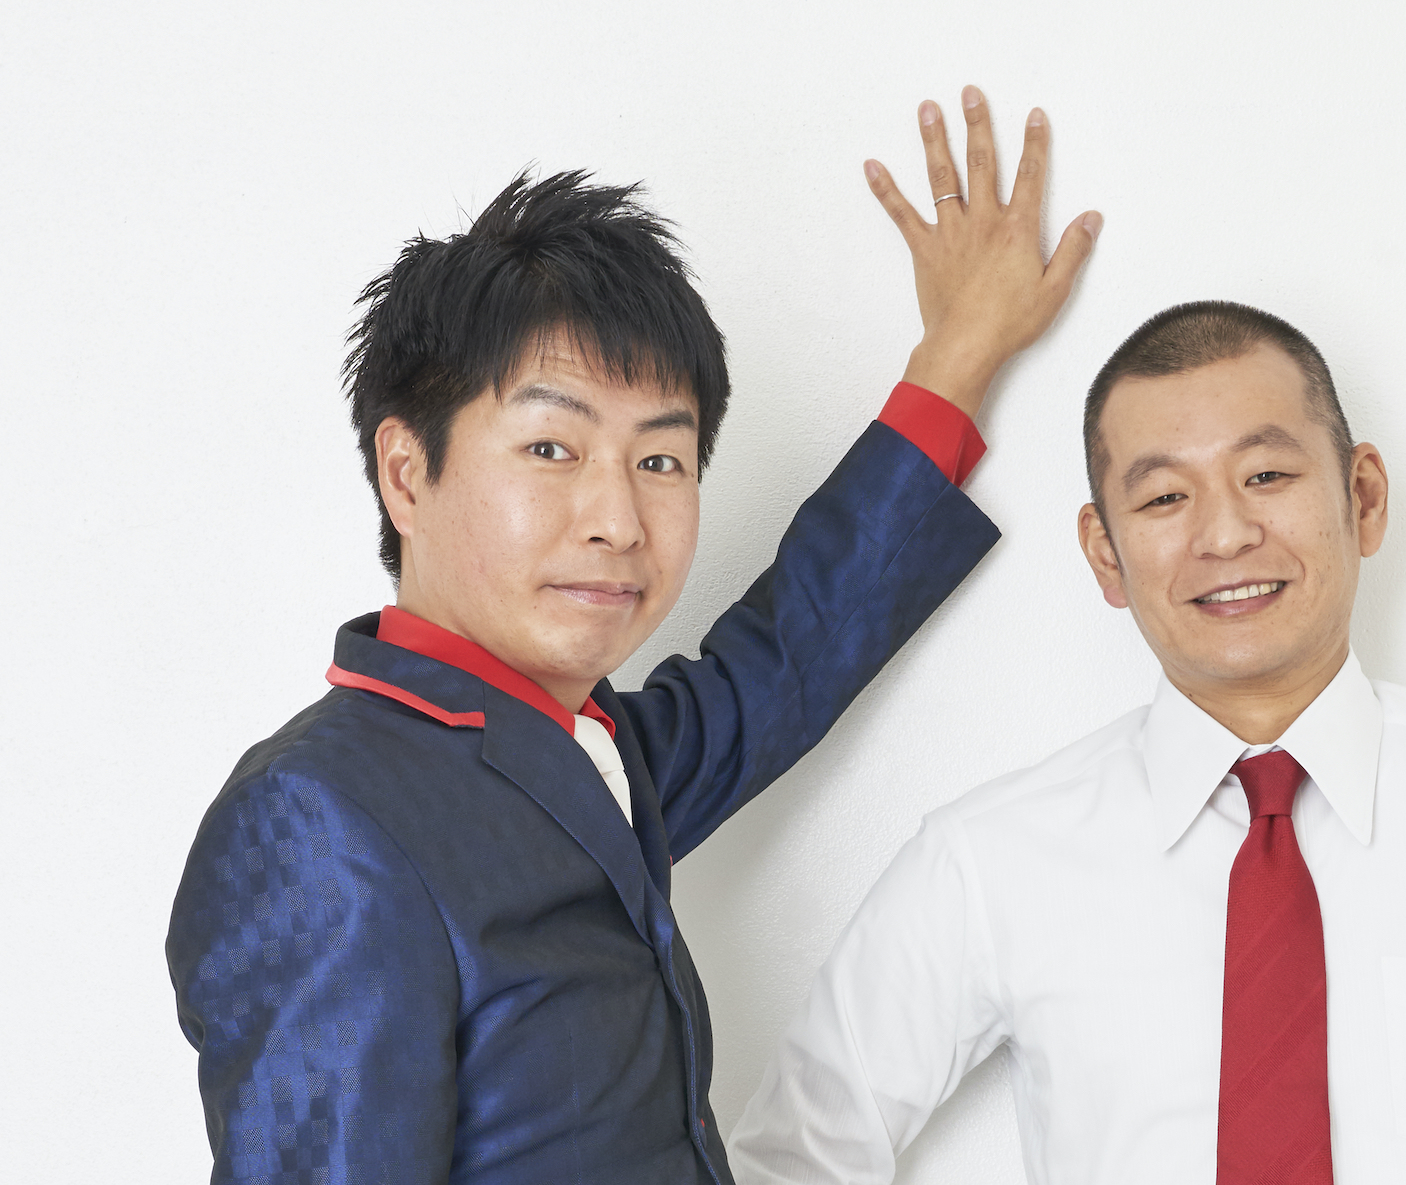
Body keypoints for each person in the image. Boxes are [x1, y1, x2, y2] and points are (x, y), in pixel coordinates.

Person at [165, 88, 1101, 1185]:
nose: (618, 518)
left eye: (660, 459)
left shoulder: (587, 750)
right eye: (551, 449)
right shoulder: (320, 817)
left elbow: (786, 659)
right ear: (407, 473)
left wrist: (960, 355)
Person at [729, 300, 1406, 1184]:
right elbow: (793, 1159)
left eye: (1267, 475)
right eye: (1163, 499)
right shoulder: (987, 863)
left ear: (1363, 496)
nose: (1226, 533)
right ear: (1106, 554)